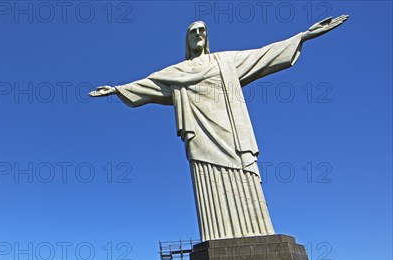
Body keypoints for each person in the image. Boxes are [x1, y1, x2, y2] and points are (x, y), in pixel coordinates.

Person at [90, 16, 348, 241]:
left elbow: (263, 54)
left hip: (232, 131)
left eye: (202, 30)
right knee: (209, 185)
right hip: (200, 135)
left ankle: (257, 229)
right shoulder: (176, 72)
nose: (199, 34)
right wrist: (116, 89)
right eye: (193, 32)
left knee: (245, 177)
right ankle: (218, 233)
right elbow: (148, 84)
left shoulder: (226, 61)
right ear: (187, 40)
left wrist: (303, 36)